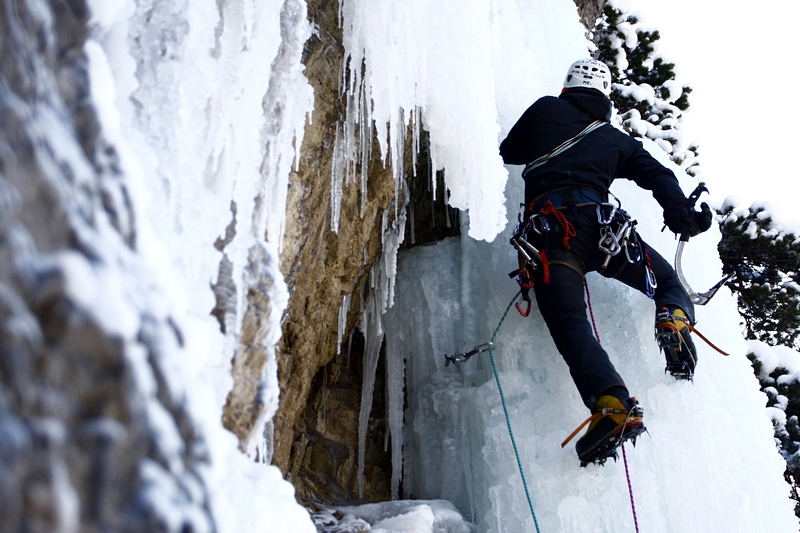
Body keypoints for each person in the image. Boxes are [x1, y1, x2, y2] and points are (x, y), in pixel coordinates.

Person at [499, 58, 712, 466]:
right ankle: (674, 318)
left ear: (567, 88)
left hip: (552, 236)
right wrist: (679, 213)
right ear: (606, 98)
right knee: (668, 284)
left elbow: (510, 150)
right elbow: (659, 175)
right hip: (606, 234)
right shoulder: (617, 140)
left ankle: (613, 403)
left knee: (570, 323)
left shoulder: (546, 109)